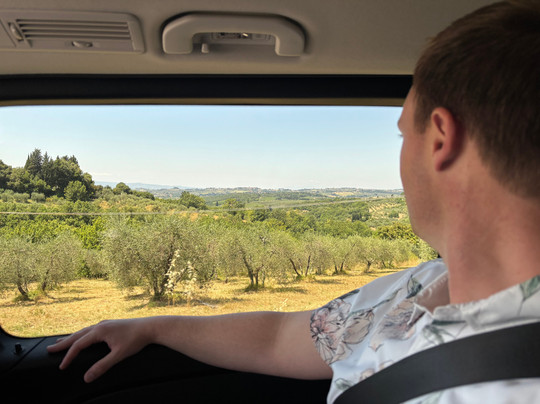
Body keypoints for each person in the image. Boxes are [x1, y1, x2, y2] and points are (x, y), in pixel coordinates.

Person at [47, 1, 540, 402]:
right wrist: (155, 327)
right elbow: (279, 337)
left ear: (440, 140)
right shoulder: (421, 286)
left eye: (401, 134)